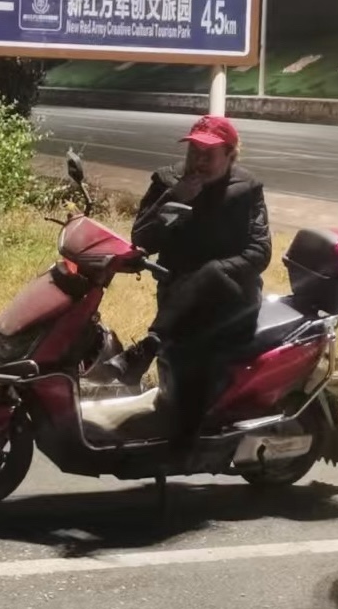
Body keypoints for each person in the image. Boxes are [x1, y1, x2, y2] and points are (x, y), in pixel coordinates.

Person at [102, 115, 272, 444]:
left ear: (231, 156)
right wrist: (174, 198)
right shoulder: (168, 181)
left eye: (209, 155)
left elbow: (260, 252)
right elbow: (141, 239)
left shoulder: (247, 189)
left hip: (231, 300)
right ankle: (175, 431)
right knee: (179, 373)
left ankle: (149, 348)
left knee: (209, 273)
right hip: (176, 300)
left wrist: (217, 270)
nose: (199, 161)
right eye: (194, 152)